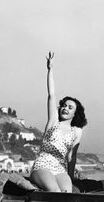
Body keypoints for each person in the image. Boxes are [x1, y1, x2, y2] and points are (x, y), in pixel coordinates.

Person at [30, 52, 87, 192]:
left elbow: (72, 157)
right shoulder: (53, 121)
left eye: (70, 107)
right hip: (43, 166)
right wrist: (50, 69)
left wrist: (71, 177)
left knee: (68, 193)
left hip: (60, 169)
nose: (65, 108)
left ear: (75, 114)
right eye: (64, 106)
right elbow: (52, 94)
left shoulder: (77, 131)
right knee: (55, 192)